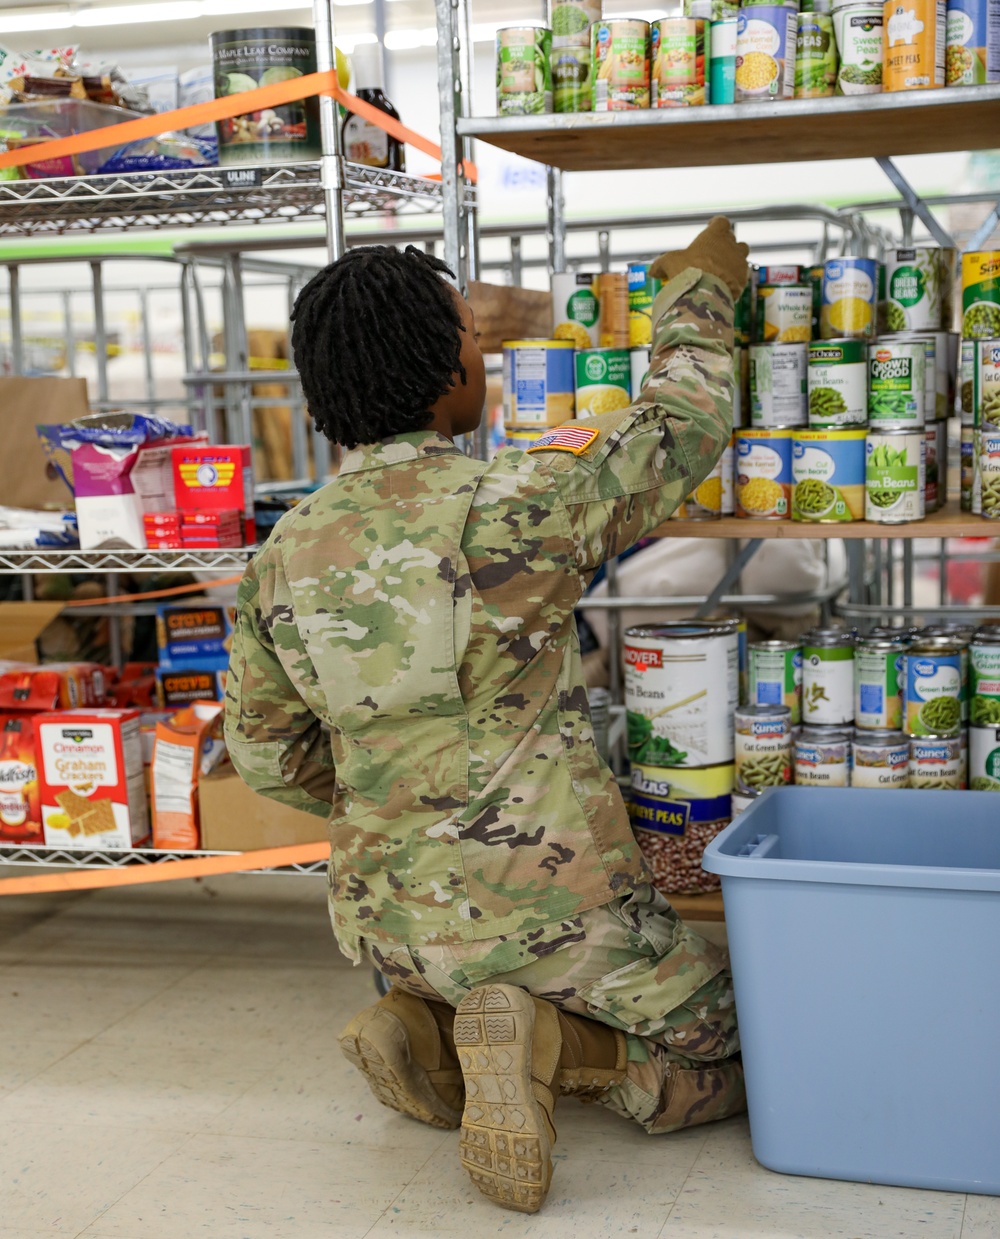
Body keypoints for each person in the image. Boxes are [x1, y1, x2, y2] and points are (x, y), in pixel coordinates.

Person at [224, 219, 750, 1214]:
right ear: (442, 373)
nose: (483, 360)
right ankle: (556, 1047)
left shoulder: (282, 552)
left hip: (390, 925)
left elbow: (263, 755)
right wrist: (697, 290)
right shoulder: (526, 498)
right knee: (725, 1053)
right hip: (558, 908)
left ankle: (420, 1024)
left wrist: (387, 785)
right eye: (470, 340)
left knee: (458, 964)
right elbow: (684, 420)